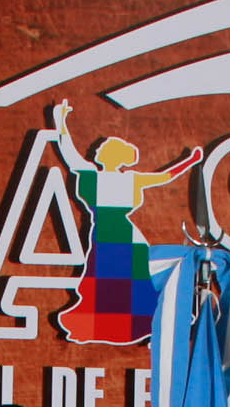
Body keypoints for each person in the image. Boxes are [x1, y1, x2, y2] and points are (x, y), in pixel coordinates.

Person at [50, 99, 202, 347]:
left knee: (136, 282)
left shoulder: (131, 179)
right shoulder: (91, 174)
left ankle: (155, 328)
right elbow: (69, 153)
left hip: (125, 236)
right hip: (105, 235)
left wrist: (191, 160)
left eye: (104, 149)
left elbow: (164, 177)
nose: (98, 151)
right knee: (107, 280)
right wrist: (61, 122)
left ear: (112, 156)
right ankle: (106, 326)